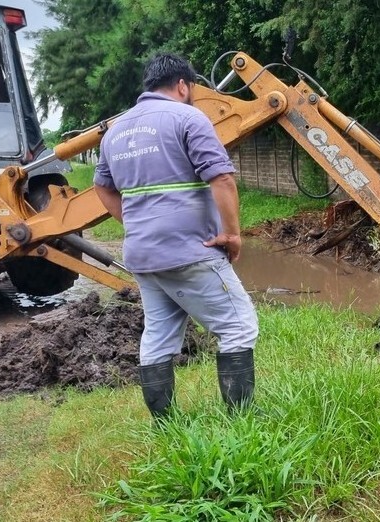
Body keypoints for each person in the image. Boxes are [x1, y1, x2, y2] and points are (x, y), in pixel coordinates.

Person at [93, 53, 259, 419]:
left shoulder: (115, 131)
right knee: (238, 326)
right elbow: (222, 178)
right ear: (183, 85)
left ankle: (166, 426)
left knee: (158, 335)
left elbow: (102, 189)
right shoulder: (188, 117)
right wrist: (231, 234)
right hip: (191, 251)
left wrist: (136, 224)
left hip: (143, 256)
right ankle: (243, 423)